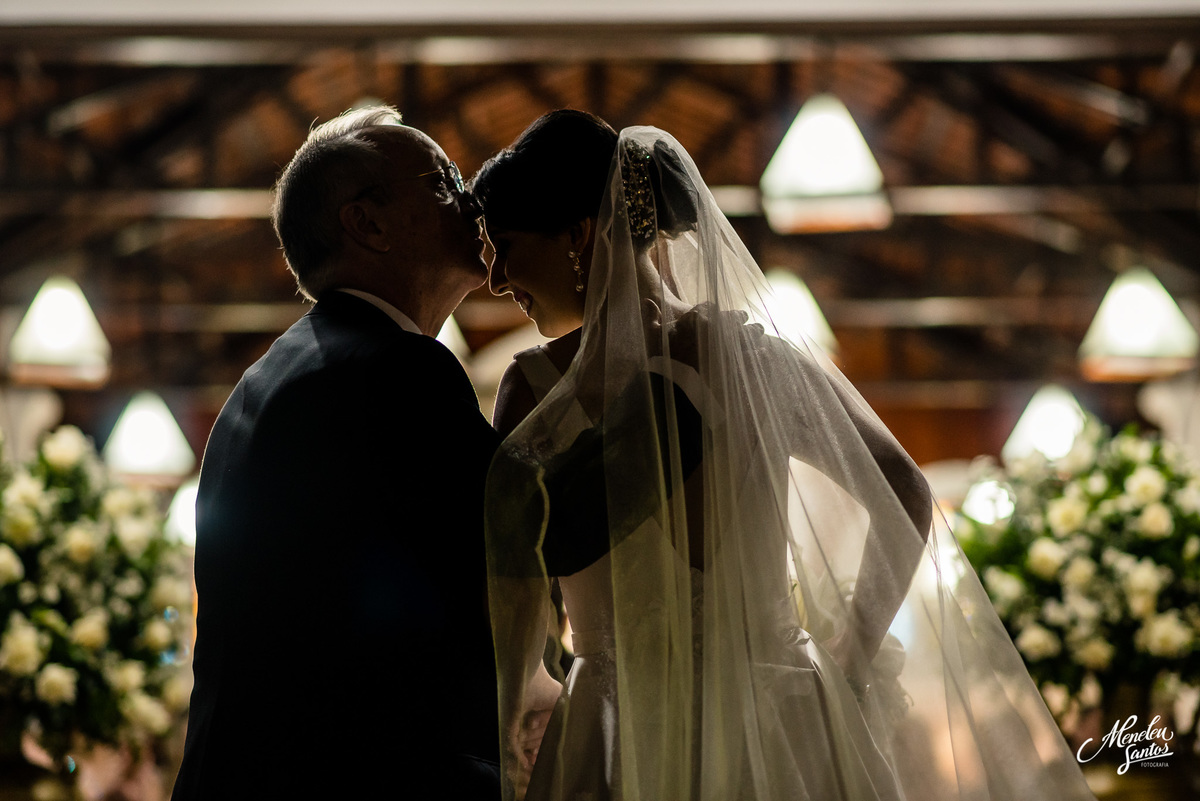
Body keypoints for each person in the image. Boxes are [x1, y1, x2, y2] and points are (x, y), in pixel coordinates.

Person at [473, 110, 1097, 801]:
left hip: (618, 725)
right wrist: (852, 652)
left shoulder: (529, 389)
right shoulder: (749, 357)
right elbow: (903, 489)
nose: (496, 278)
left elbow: (514, 594)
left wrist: (525, 701)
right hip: (781, 709)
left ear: (578, 235)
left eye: (505, 246)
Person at [171, 105, 503, 800]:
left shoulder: (266, 380)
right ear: (367, 223)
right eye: (441, 180)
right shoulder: (400, 369)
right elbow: (518, 545)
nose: (471, 199)